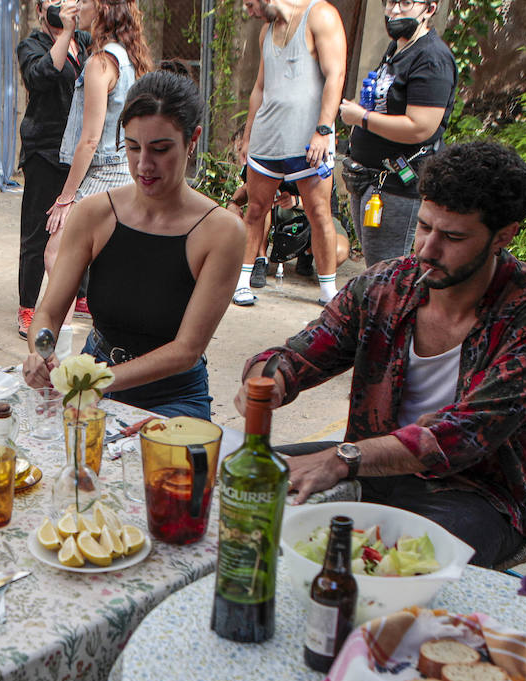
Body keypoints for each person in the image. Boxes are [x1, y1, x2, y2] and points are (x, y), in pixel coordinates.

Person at [234, 142, 526, 568]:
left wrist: (346, 459)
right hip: (370, 468)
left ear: (503, 236)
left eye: (452, 237)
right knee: (236, 488)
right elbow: (304, 352)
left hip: (476, 493)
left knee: (393, 567)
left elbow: (465, 434)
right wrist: (270, 377)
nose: (427, 250)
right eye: (423, 227)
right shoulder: (386, 285)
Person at [24, 71, 245, 420]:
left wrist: (96, 382)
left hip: (173, 395)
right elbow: (49, 313)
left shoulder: (221, 232)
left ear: (192, 140)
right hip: (93, 377)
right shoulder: (94, 213)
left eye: (160, 149)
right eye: (132, 147)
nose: (144, 165)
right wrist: (42, 349)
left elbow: (186, 350)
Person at [229, 0, 346, 307]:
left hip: (308, 139)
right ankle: (242, 283)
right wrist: (248, 134)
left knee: (319, 212)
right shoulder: (267, 29)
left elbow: (336, 74)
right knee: (256, 209)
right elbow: (260, 86)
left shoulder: (320, 15)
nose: (248, 11)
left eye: (251, 3)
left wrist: (323, 129)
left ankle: (328, 292)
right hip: (269, 137)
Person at [42, 0, 153, 317]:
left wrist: (66, 197)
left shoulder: (101, 63)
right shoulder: (128, 56)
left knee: (55, 252)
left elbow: (89, 140)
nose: (77, 5)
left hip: (105, 172)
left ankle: (57, 345)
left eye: (85, 1)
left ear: (103, 9)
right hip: (125, 171)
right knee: (110, 259)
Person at [338, 0, 457, 266]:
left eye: (405, 3)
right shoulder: (398, 48)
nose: (394, 10)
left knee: (388, 273)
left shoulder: (432, 58)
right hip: (372, 180)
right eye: (390, 2)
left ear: (429, 9)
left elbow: (421, 127)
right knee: (376, 270)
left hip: (399, 185)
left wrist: (363, 118)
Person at [16, 0, 92, 339]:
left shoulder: (86, 42)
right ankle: (28, 306)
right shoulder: (32, 45)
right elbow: (42, 75)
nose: (60, 6)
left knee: (82, 225)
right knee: (38, 232)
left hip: (78, 152)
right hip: (45, 150)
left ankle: (82, 294)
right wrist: (64, 32)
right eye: (50, 2)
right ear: (39, 10)